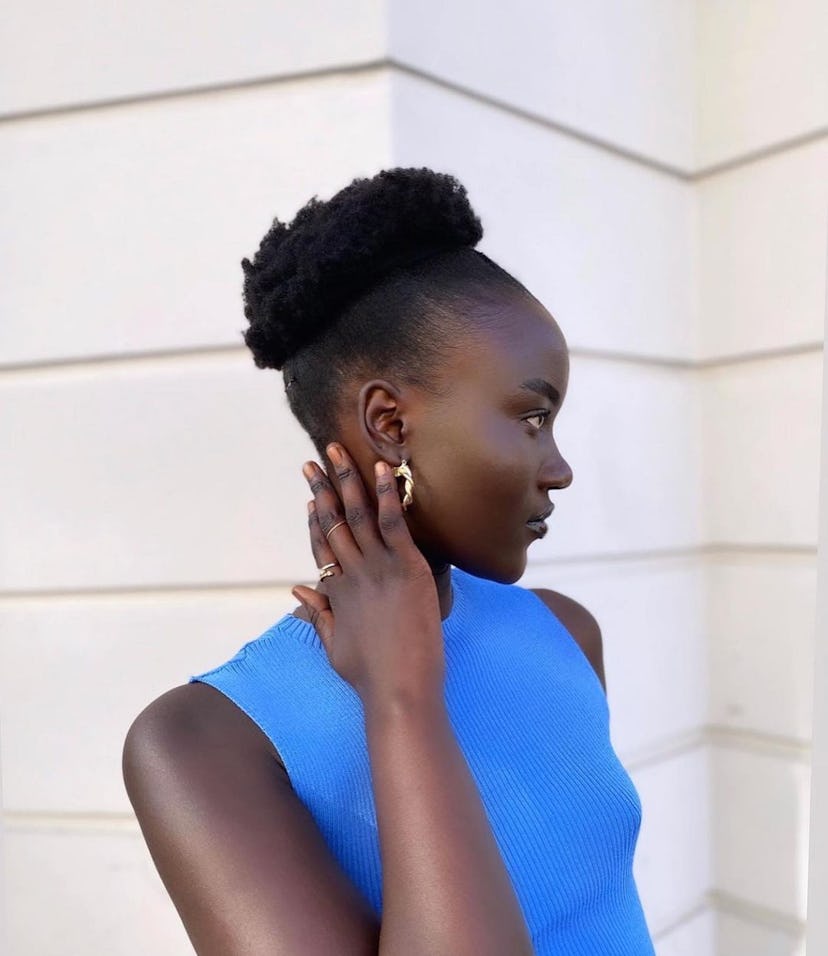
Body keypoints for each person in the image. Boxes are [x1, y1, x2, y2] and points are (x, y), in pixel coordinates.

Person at [123, 167, 656, 955]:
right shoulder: (202, 746)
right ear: (390, 424)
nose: (560, 468)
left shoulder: (565, 633)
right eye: (533, 416)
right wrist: (402, 697)